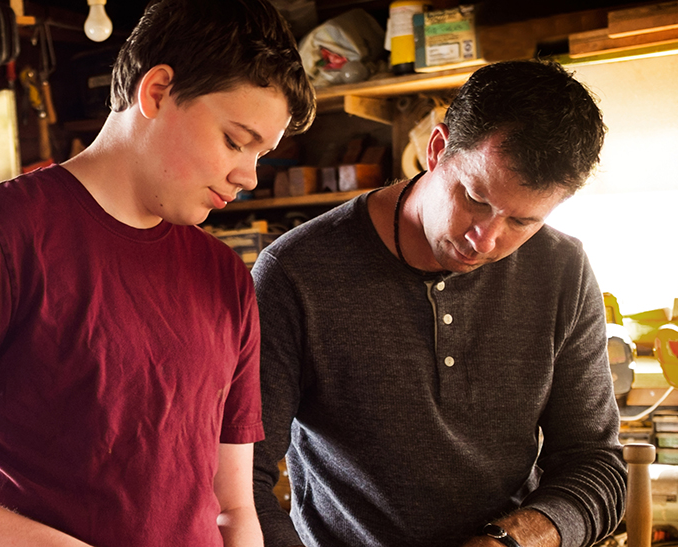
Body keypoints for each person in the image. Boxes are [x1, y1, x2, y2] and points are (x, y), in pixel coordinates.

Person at [0, 1, 316, 546]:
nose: (247, 175)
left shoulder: (225, 276)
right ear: (155, 92)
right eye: (234, 140)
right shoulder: (1, 231)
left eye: (261, 153)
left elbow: (234, 510)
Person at [252, 59, 625, 547]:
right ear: (436, 149)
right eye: (475, 198)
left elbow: (596, 466)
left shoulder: (564, 269)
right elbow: (239, 481)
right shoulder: (295, 273)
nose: (485, 240)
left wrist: (511, 541)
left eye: (522, 222)